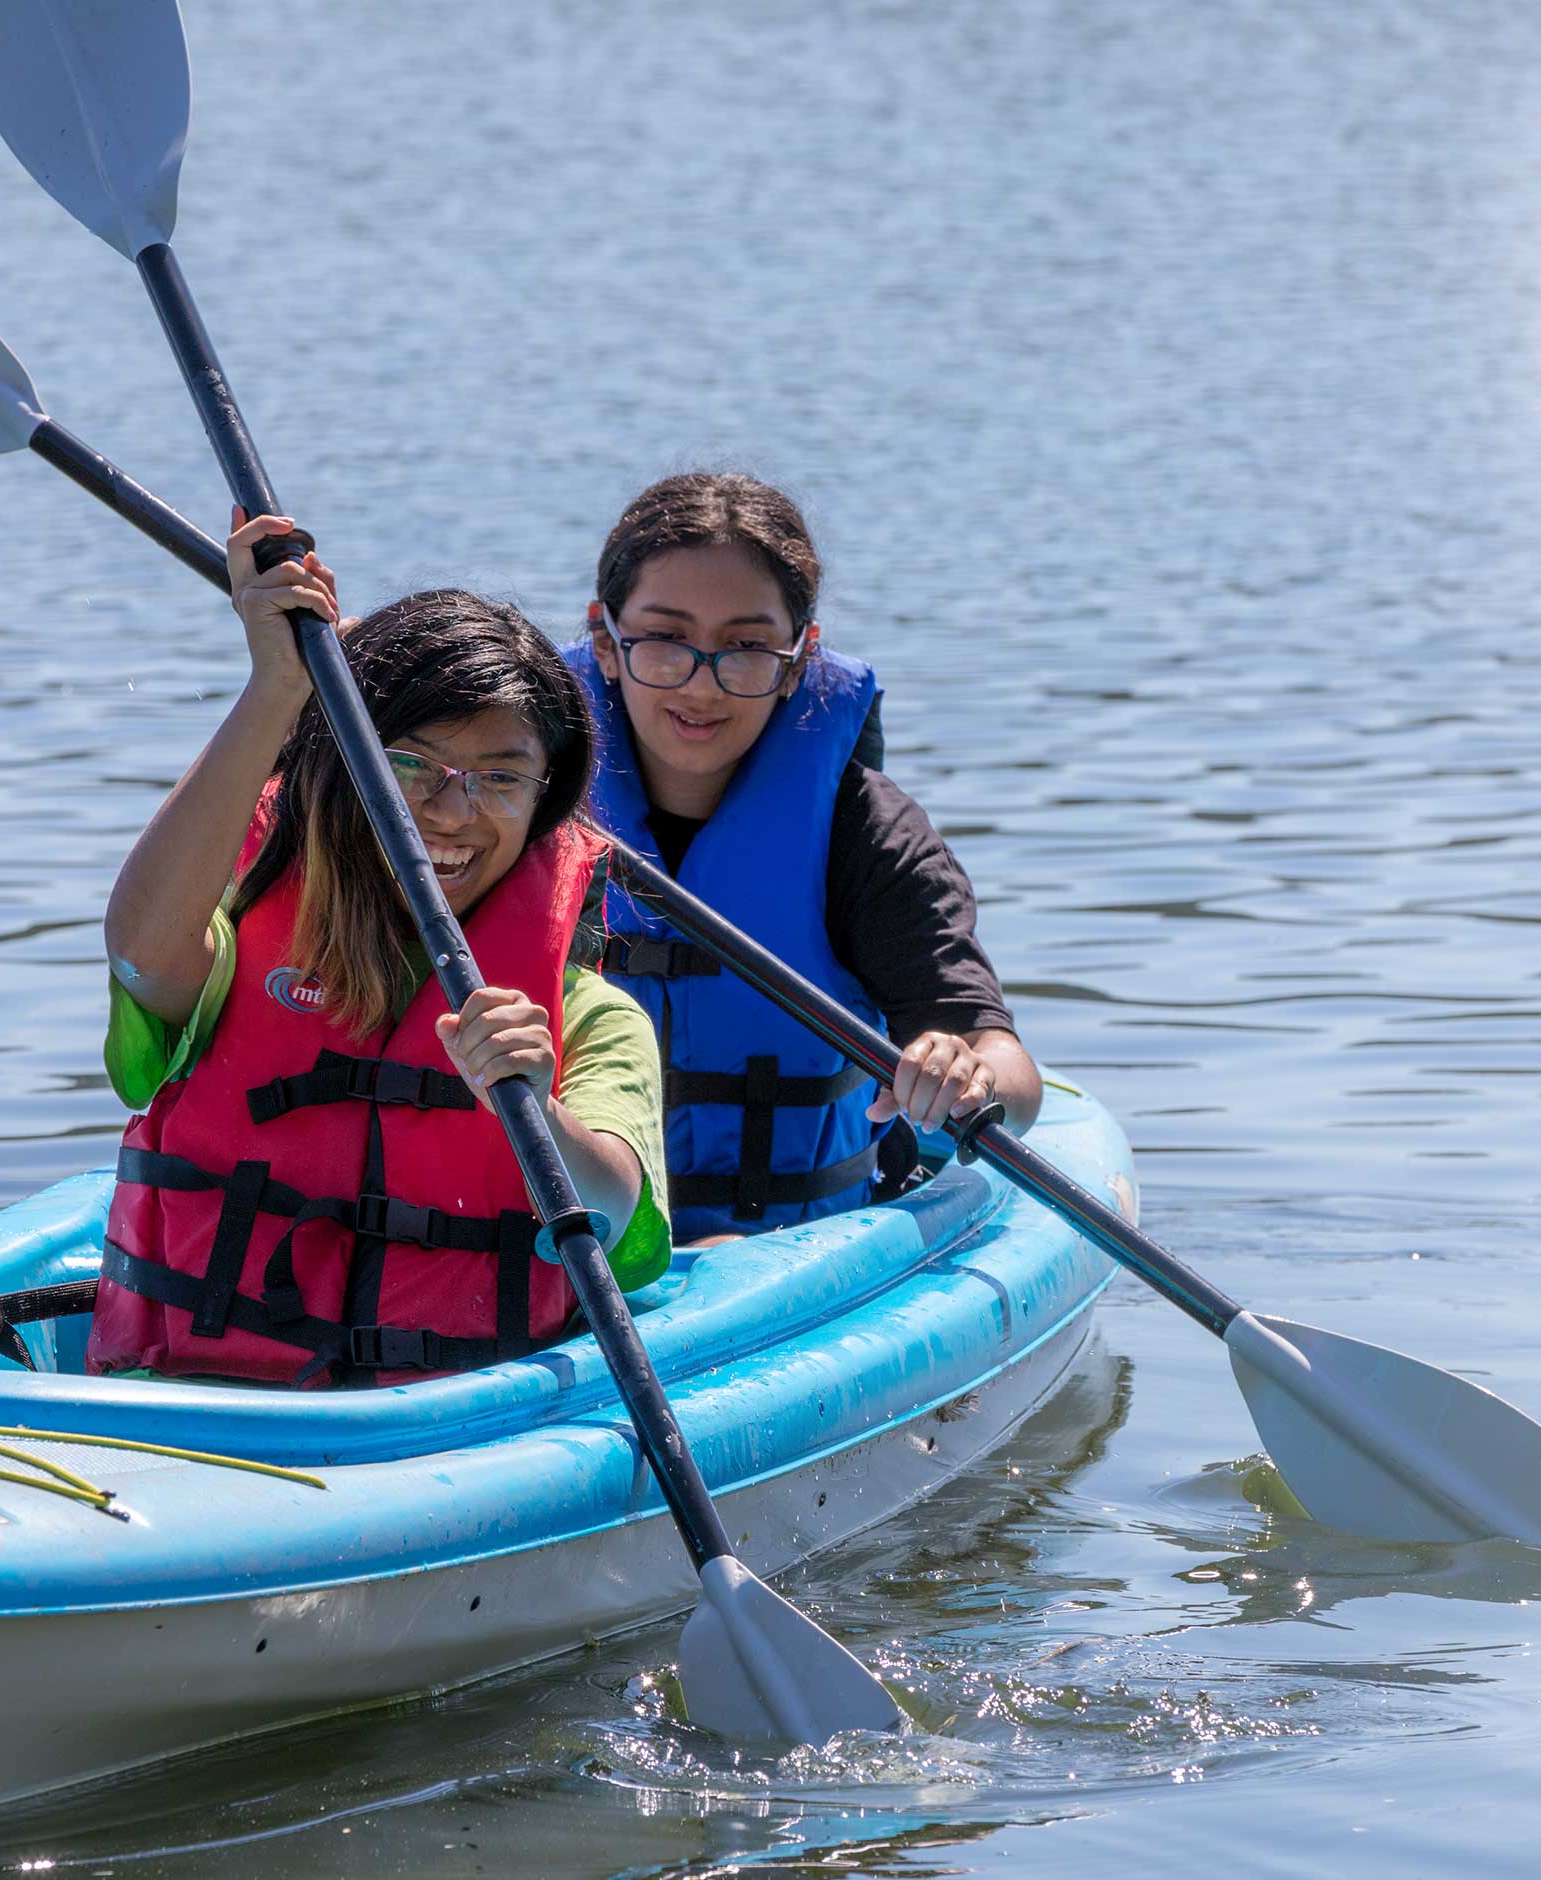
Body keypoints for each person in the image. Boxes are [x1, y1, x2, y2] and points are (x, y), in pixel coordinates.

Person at [89, 512, 669, 1387]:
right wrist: (274, 691)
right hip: (209, 1409)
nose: (452, 810)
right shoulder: (243, 956)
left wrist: (534, 1112)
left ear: (544, 801)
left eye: (500, 777)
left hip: (456, 1429)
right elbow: (141, 953)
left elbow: (614, 1213)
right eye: (411, 763)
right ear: (341, 766)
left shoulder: (590, 1020)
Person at [573, 472, 1041, 1244]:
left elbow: (1008, 1072)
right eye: (666, 638)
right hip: (569, 1249)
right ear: (605, 643)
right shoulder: (515, 801)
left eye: (747, 647)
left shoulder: (866, 832)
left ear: (798, 660)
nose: (702, 682)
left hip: (790, 1259)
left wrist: (969, 1074)